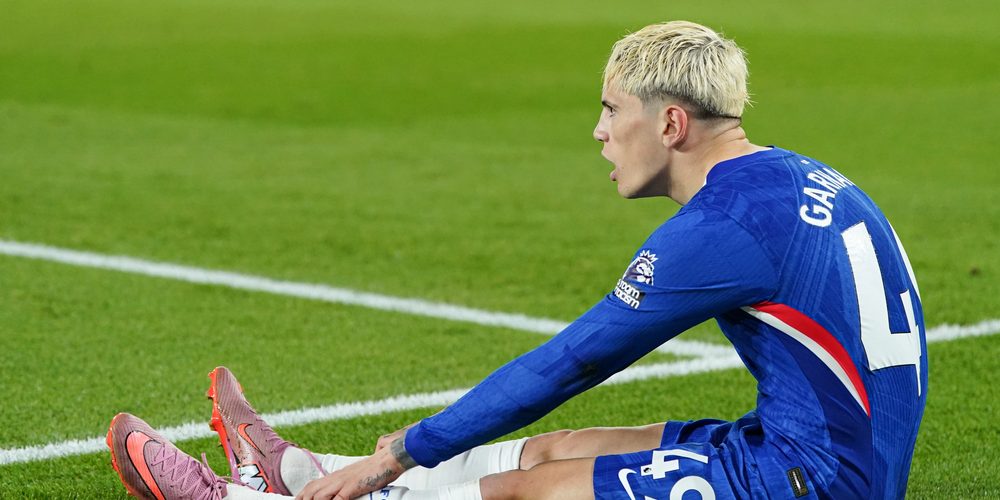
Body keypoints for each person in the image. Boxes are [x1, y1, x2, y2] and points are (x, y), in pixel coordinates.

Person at [106, 20, 928, 500]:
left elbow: (569, 361)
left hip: (809, 483)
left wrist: (402, 451)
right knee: (554, 455)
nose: (600, 132)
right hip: (825, 459)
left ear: (671, 124)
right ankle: (297, 471)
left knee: (518, 494)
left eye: (613, 111)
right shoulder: (795, 174)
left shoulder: (722, 227)